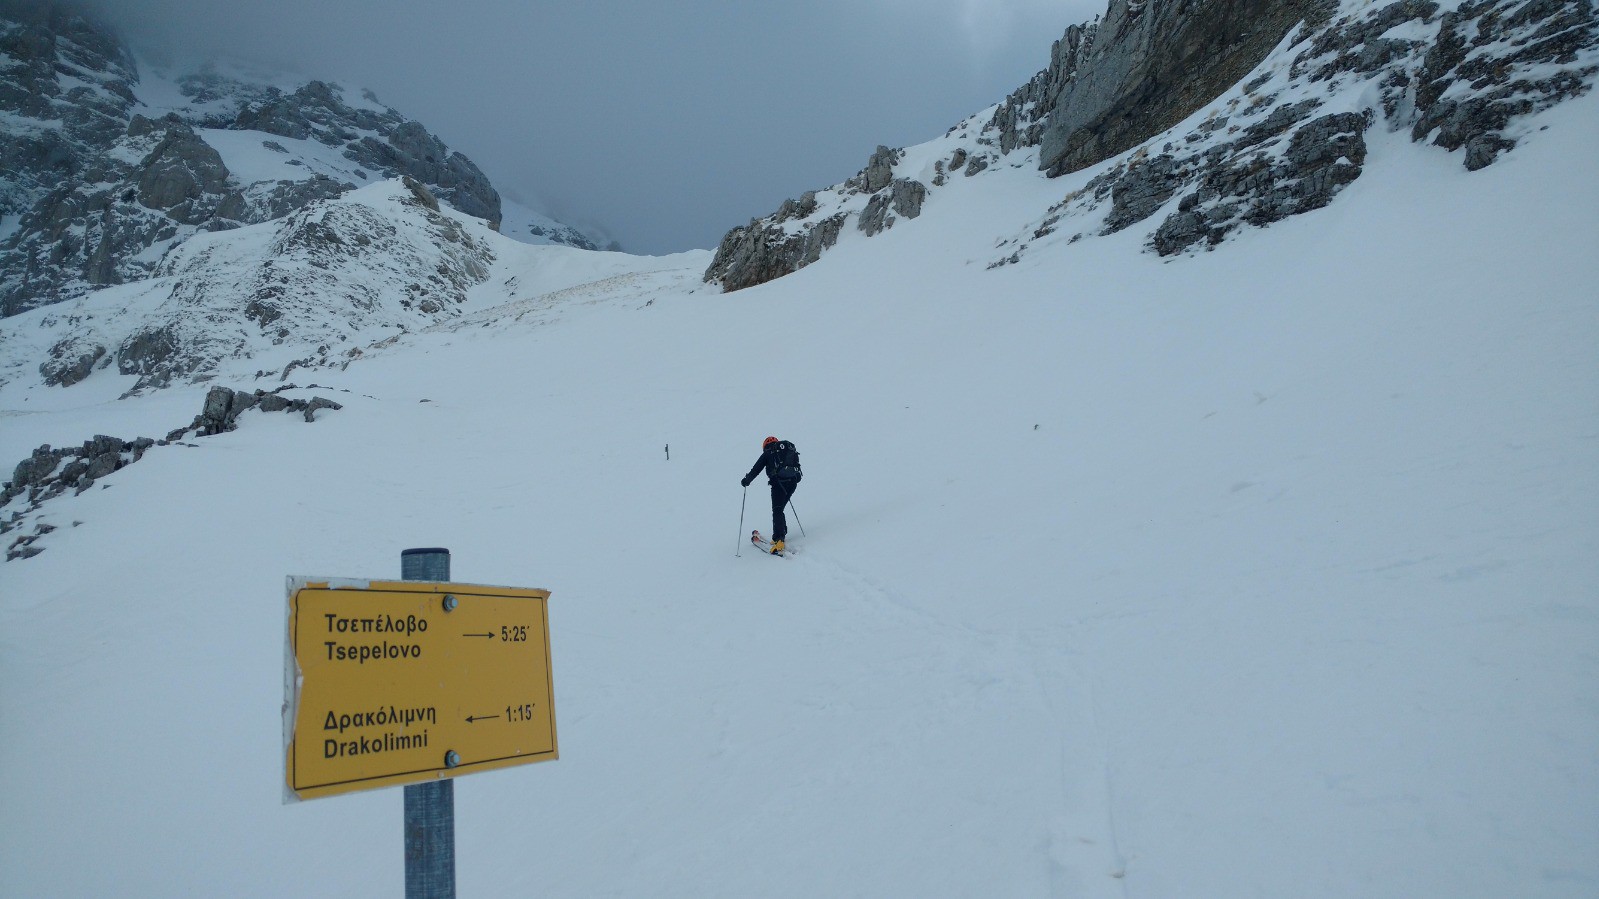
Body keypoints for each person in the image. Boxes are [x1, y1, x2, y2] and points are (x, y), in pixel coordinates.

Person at [741, 435, 802, 553]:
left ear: (765, 446)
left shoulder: (768, 453)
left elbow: (756, 469)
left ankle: (779, 540)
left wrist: (746, 480)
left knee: (777, 510)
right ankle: (780, 532)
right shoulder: (787, 451)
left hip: (778, 484)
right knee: (780, 510)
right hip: (792, 484)